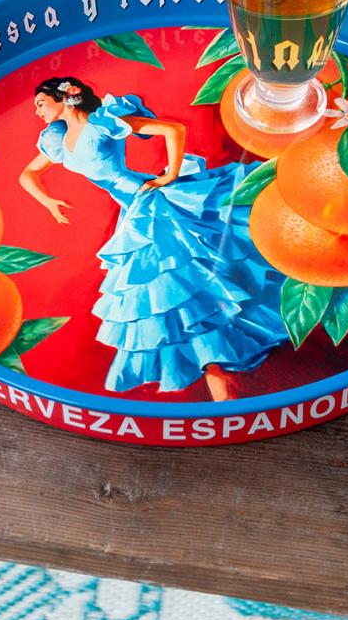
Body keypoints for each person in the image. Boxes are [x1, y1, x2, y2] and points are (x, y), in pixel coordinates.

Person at [19, 77, 288, 401]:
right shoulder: (58, 138)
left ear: (65, 97)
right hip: (133, 212)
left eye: (41, 103)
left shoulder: (103, 123)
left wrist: (170, 175)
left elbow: (173, 130)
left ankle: (221, 384)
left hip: (152, 205)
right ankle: (221, 383)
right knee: (175, 296)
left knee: (182, 291)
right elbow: (27, 174)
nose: (37, 111)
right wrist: (48, 201)